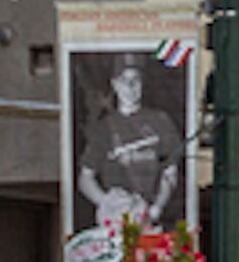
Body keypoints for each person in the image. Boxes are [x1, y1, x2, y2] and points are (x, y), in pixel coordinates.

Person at [77, 56, 183, 231]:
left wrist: (157, 207)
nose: (130, 87)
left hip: (150, 218)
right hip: (116, 223)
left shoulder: (160, 121)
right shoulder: (104, 128)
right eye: (124, 81)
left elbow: (170, 173)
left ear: (143, 83)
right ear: (115, 84)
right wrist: (107, 203)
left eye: (136, 80)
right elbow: (85, 178)